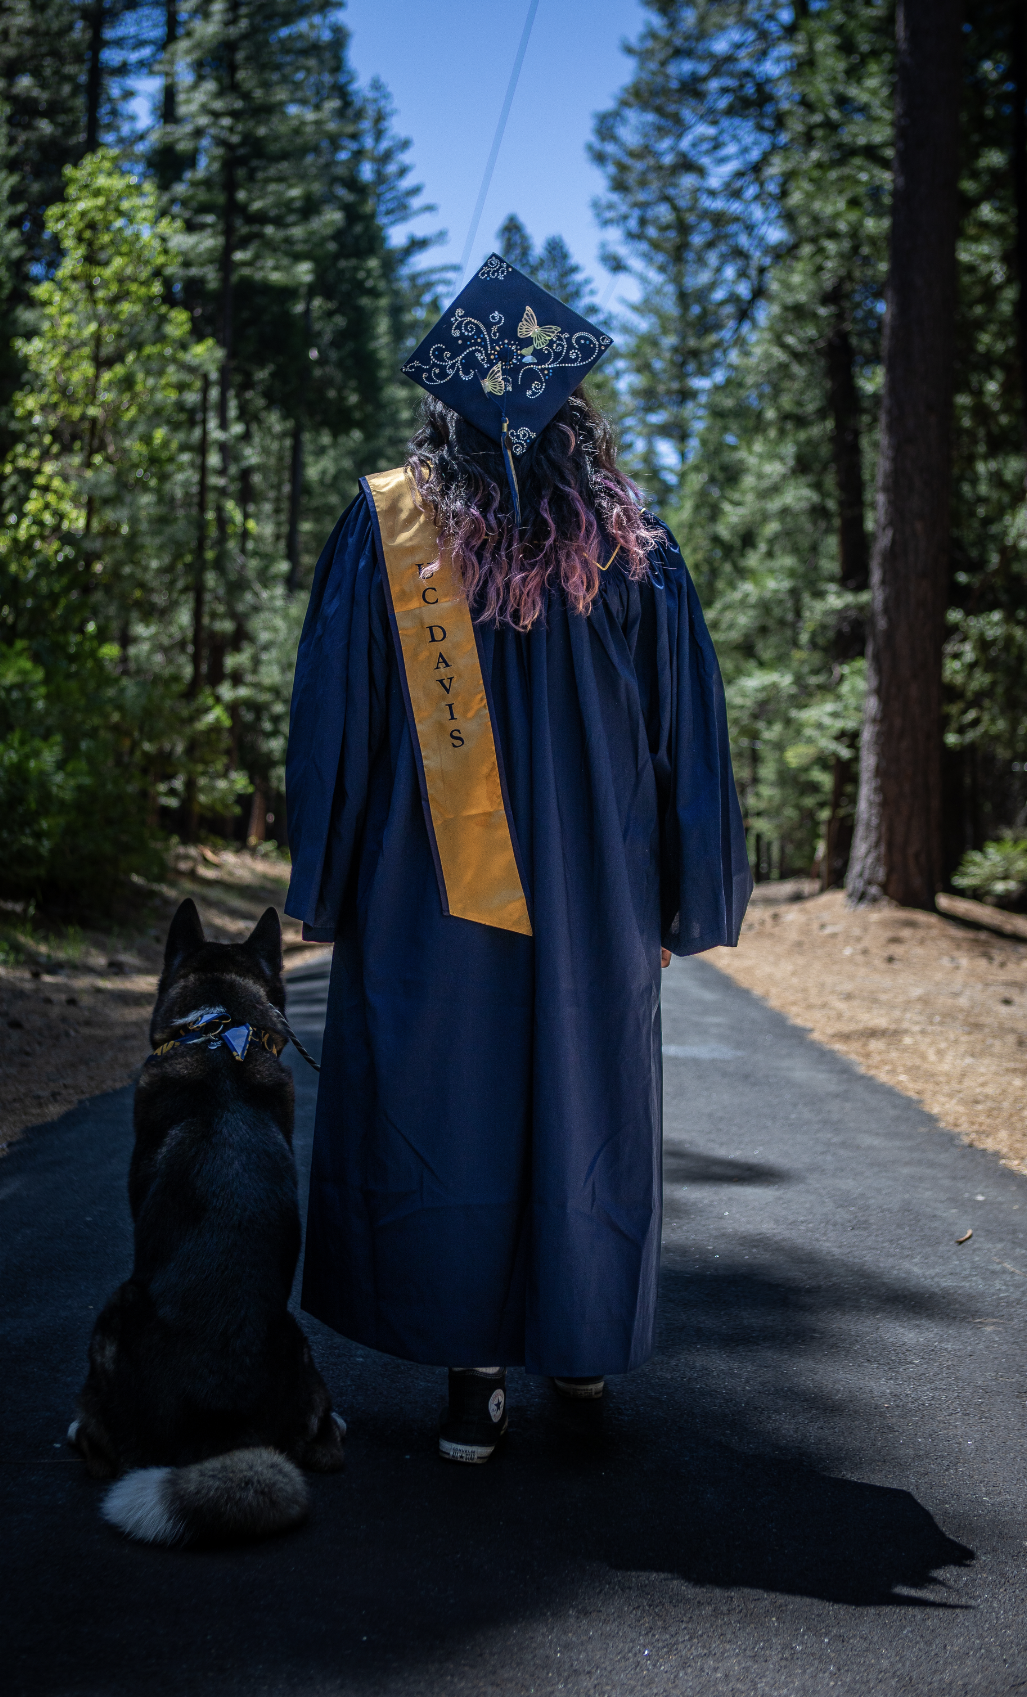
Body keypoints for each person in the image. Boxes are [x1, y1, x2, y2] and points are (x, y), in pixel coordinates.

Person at [284, 254, 751, 1462]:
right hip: (598, 891)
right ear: (570, 411)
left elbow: (334, 722)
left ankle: (473, 1382)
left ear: (440, 410)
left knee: (448, 1103)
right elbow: (687, 737)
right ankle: (578, 1350)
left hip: (427, 886)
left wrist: (327, 883)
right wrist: (682, 898)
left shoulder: (389, 529)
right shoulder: (632, 543)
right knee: (581, 1104)